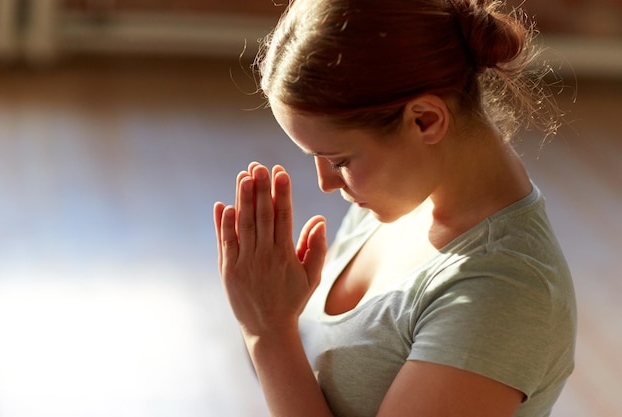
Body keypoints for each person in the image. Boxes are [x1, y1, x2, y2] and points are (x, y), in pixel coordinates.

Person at [213, 0, 577, 416]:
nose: (326, 183)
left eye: (340, 160)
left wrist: (269, 331)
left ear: (424, 120)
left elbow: (280, 353)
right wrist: (269, 312)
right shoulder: (402, 198)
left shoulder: (503, 291)